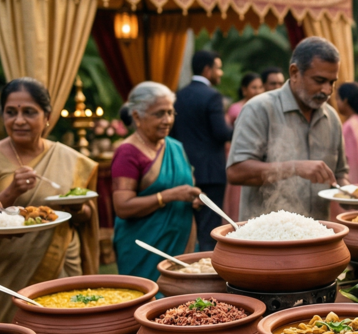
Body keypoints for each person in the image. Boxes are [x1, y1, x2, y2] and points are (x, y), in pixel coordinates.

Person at [0, 78, 99, 323]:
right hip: (9, 265)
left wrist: (79, 208)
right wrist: (11, 192)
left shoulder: (68, 157)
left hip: (62, 259)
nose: (19, 120)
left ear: (47, 116)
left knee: (67, 329)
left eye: (29, 112)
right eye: (11, 112)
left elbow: (88, 214)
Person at [227, 37, 348, 220]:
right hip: (267, 235)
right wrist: (294, 168)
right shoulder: (259, 109)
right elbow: (236, 172)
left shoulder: (331, 118)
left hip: (317, 233)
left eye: (332, 82)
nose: (327, 90)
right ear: (294, 72)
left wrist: (350, 193)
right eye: (319, 80)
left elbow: (339, 175)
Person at [112, 82, 201, 283]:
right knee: (149, 303)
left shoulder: (175, 147)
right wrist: (169, 196)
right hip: (144, 247)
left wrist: (194, 198)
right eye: (159, 114)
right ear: (137, 116)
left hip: (181, 241)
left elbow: (186, 184)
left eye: (170, 113)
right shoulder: (127, 153)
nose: (167, 120)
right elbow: (123, 207)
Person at [172, 50, 230, 251]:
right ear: (207, 69)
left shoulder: (179, 94)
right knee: (209, 227)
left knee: (189, 226)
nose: (220, 73)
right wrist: (238, 129)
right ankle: (208, 266)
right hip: (211, 172)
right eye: (218, 67)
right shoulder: (212, 96)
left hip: (184, 170)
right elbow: (221, 132)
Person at [223, 72, 266, 220]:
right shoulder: (235, 109)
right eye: (254, 87)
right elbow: (226, 134)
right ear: (244, 89)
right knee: (238, 196)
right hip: (241, 157)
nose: (258, 91)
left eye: (261, 87)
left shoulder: (265, 108)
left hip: (260, 159)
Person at [337, 82, 358, 186]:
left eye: (337, 99)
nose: (336, 102)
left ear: (345, 100)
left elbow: (350, 157)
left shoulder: (350, 126)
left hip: (352, 177)